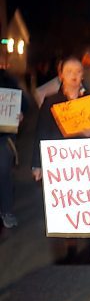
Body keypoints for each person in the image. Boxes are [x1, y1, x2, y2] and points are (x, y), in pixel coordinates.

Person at [31, 56, 90, 181]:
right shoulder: (51, 101)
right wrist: (37, 164)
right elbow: (41, 132)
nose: (74, 75)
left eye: (78, 71)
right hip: (58, 162)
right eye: (69, 71)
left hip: (85, 162)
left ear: (83, 75)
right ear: (61, 75)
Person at [0, 69, 29, 228]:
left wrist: (20, 113)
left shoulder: (8, 79)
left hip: (3, 138)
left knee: (4, 175)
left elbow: (23, 102)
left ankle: (6, 211)